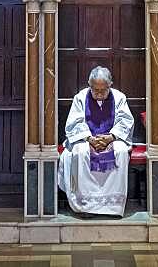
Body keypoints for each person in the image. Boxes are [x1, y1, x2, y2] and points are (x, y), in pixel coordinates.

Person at [58, 66, 134, 217]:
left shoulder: (119, 97)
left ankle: (113, 207)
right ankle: (86, 205)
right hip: (87, 139)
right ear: (89, 84)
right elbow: (74, 123)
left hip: (112, 138)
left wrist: (111, 137)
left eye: (103, 91)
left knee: (120, 151)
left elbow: (125, 121)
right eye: (95, 90)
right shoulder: (80, 97)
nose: (99, 94)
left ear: (110, 85)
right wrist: (89, 138)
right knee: (80, 152)